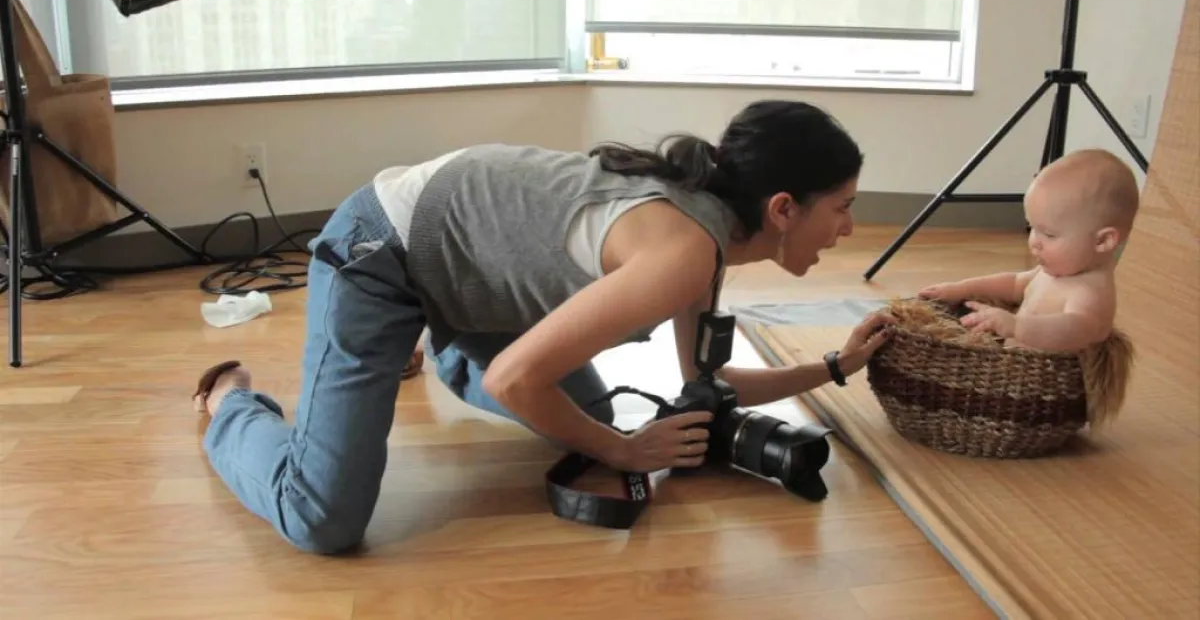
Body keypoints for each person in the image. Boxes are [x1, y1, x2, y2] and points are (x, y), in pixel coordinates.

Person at [190, 99, 894, 555]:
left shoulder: (707, 237)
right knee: (322, 518)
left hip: (471, 282)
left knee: (586, 418)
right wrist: (622, 451)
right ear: (782, 208)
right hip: (382, 252)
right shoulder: (685, 252)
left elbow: (706, 380)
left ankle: (443, 345)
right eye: (842, 207)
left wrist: (835, 366)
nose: (849, 226)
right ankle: (230, 401)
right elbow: (513, 379)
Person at [919, 148, 1140, 352]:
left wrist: (1017, 327)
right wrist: (961, 289)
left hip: (1045, 379)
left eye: (1049, 234)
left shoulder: (1089, 292)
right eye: (1032, 227)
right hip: (1014, 365)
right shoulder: (1055, 271)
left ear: (1102, 241)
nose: (1034, 241)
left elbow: (1075, 330)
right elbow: (1015, 283)